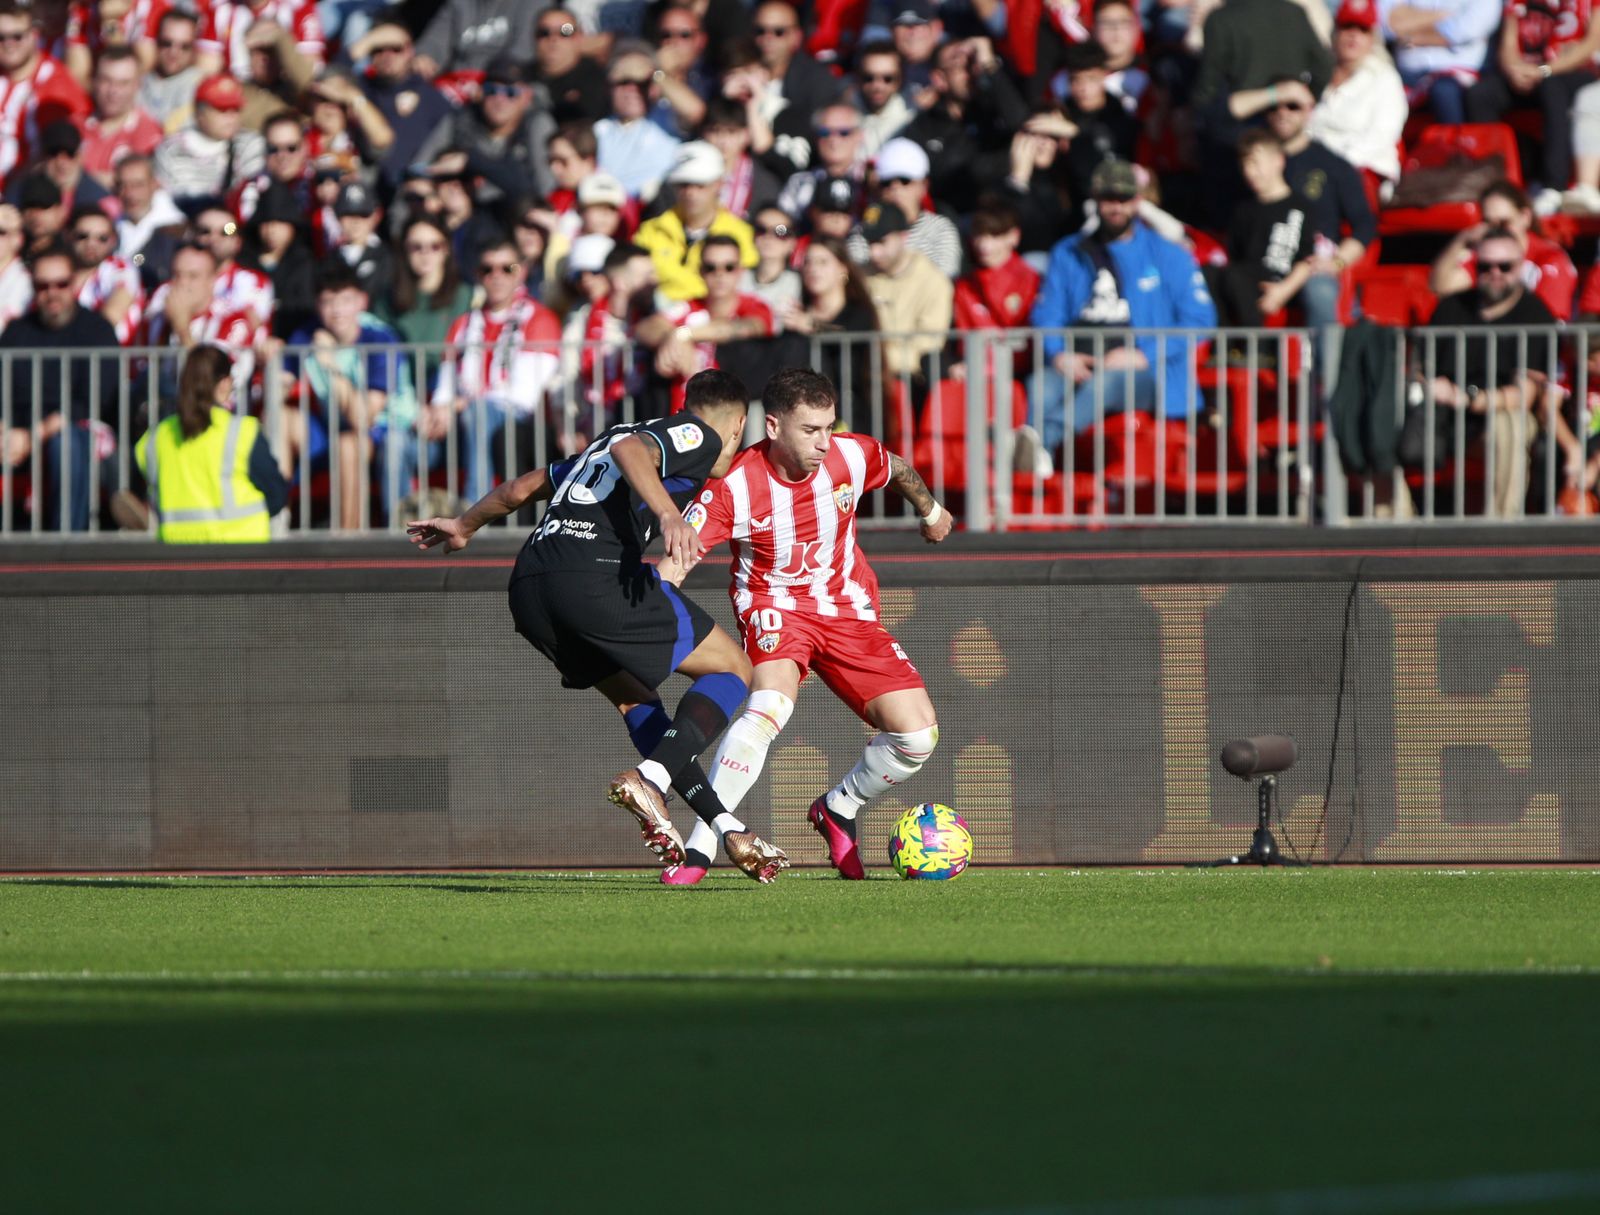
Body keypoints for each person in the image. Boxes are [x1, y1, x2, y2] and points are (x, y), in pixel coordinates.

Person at [406, 368, 791, 883]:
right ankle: (650, 779)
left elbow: (523, 487)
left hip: (531, 589)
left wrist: (463, 525)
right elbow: (634, 450)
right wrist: (669, 515)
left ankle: (726, 826)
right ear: (739, 424)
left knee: (638, 702)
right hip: (593, 579)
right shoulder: (698, 434)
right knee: (733, 669)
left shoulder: (600, 445)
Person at [656, 365, 953, 884]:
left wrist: (931, 512)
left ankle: (839, 807)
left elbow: (896, 467)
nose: (823, 442)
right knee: (770, 706)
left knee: (918, 735)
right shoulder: (733, 486)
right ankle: (704, 844)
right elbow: (675, 563)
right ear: (773, 427)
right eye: (810, 430)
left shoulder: (850, 455)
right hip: (773, 604)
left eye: (829, 427)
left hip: (846, 607)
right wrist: (648, 606)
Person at [1022, 158, 1217, 469]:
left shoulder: (1168, 253)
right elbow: (1048, 314)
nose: (1116, 206)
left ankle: (1039, 445)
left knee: (1108, 382)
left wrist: (1142, 355)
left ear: (1137, 201)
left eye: (1124, 198)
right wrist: (1059, 354)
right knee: (1041, 385)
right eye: (1108, 198)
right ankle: (1036, 468)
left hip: (1149, 372)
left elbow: (1200, 320)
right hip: (1079, 360)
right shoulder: (1068, 252)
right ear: (1095, 200)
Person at [1405, 226, 1557, 516]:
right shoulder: (1451, 307)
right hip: (1441, 416)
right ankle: (1394, 524)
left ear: (1520, 267)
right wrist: (1426, 385)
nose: (1495, 273)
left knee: (1511, 424)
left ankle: (1501, 527)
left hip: (1491, 417)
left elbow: (1524, 395)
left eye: (1504, 266)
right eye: (1485, 266)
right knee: (1383, 415)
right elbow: (1420, 367)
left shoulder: (1536, 314)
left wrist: (1468, 398)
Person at [429, 239, 562, 504]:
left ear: (522, 272)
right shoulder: (463, 324)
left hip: (516, 421)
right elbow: (444, 389)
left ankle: (473, 512)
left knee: (479, 413)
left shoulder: (540, 319)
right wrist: (436, 411)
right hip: (461, 420)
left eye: (507, 268)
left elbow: (523, 396)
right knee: (399, 440)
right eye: (487, 269)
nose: (496, 276)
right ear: (478, 275)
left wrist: (461, 404)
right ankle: (400, 520)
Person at [288, 264, 416, 529]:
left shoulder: (380, 338)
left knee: (348, 442)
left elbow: (362, 418)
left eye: (345, 300)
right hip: (332, 426)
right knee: (280, 418)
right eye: (328, 301)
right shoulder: (307, 334)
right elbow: (278, 385)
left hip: (386, 428)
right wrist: (269, 355)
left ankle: (347, 538)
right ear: (317, 304)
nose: (336, 310)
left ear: (362, 302)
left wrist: (331, 365)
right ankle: (276, 520)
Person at [0, 247, 119, 531]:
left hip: (77, 431)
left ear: (74, 283)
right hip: (19, 433)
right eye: (43, 286)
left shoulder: (98, 330)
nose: (52, 293)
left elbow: (94, 401)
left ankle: (66, 542)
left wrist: (34, 434)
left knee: (65, 443)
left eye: (61, 284)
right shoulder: (16, 332)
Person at [132, 343, 288, 542]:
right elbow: (276, 494)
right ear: (224, 384)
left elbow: (143, 487)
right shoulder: (242, 432)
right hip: (241, 548)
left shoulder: (157, 437)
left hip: (178, 549)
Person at [1464, 0, 1600, 211]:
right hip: (1527, 72)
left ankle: (1554, 187)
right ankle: (1497, 182)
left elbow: (1592, 43)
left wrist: (1544, 70)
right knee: (1480, 95)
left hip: (1572, 72)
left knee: (1552, 87)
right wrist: (1514, 70)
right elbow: (1508, 45)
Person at [646, 232, 774, 411]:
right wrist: (669, 337)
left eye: (729, 267)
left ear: (740, 271)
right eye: (710, 267)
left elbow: (747, 327)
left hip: (732, 418)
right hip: (684, 415)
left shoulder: (755, 306)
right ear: (700, 271)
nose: (720, 274)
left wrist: (683, 334)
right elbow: (645, 328)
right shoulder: (688, 307)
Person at [1209, 129, 1316, 328]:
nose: (1249, 172)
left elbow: (1307, 260)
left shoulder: (1300, 208)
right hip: (1243, 281)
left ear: (1278, 161)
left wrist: (1283, 291)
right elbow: (1234, 255)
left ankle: (1257, 343)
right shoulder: (1242, 209)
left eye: (1255, 163)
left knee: (1235, 277)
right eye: (1244, 165)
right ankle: (1225, 342)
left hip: (1280, 282)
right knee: (1211, 274)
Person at [1429, 179, 1577, 321]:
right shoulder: (1486, 258)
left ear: (1525, 217)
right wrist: (1462, 240)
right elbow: (1442, 289)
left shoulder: (1549, 257)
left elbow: (1546, 321)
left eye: (1504, 223)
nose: (1497, 230)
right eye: (1488, 223)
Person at [633, 140, 757, 301]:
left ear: (719, 184)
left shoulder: (742, 234)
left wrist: (669, 285)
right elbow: (635, 283)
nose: (690, 193)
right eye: (683, 185)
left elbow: (740, 290)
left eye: (700, 185)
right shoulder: (650, 231)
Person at [1307, 0, 1407, 194]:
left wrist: (1333, 164)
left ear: (1372, 39)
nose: (1354, 35)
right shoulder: (1317, 74)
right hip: (1313, 166)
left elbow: (1381, 136)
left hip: (1361, 169)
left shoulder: (1385, 79)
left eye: (1362, 30)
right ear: (1335, 32)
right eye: (1347, 27)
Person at [863, 201, 954, 398]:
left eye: (881, 242)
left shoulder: (933, 281)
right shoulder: (861, 276)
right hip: (868, 380)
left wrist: (875, 358)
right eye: (869, 243)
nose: (874, 252)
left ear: (903, 236)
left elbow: (928, 346)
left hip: (914, 385)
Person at [350, 17, 451, 193]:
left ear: (410, 50)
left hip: (414, 194)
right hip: (366, 191)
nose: (387, 56)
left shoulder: (430, 95)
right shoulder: (359, 87)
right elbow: (326, 81)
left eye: (396, 49)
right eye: (378, 49)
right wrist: (367, 41)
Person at [377, 215, 473, 399]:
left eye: (435, 246)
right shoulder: (388, 299)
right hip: (402, 394)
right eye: (416, 247)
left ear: (446, 249)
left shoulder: (466, 295)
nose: (425, 254)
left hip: (450, 393)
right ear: (404, 250)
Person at [0, 0, 91, 186]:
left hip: (26, 192)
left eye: (17, 36)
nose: (8, 44)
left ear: (34, 34)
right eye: (1, 37)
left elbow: (61, 158)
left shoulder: (55, 86)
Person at [152, 72, 264, 208]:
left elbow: (252, 197)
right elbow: (162, 201)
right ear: (199, 113)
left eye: (236, 109)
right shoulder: (170, 149)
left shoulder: (250, 144)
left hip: (229, 220)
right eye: (222, 109)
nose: (231, 116)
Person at [1380, 0, 1501, 126]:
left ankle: (1456, 138)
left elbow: (1465, 29)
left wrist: (1409, 32)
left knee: (1444, 92)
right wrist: (1440, 16)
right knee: (1381, 87)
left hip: (1461, 77)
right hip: (1405, 74)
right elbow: (1384, 23)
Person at [594, 45, 681, 200]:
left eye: (642, 83)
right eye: (624, 82)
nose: (632, 89)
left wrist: (656, 74)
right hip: (609, 206)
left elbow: (698, 113)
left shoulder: (669, 118)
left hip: (660, 205)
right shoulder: (599, 130)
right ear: (609, 87)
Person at [79, 45, 164, 188]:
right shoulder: (75, 125)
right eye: (106, 80)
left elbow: (138, 187)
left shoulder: (149, 134)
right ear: (94, 81)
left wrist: (78, 178)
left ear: (137, 85)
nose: (113, 91)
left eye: (123, 83)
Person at [68, 203, 144, 344]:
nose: (91, 244)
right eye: (83, 236)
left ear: (113, 241)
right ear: (68, 236)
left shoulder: (120, 268)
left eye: (102, 238)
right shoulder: (59, 271)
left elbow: (112, 315)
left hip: (113, 354)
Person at [113, 152, 185, 289]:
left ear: (154, 184)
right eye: (122, 185)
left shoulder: (176, 231)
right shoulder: (110, 226)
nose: (129, 194)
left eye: (138, 185)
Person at [139, 7, 201, 134]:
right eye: (167, 43)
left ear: (194, 49)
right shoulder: (137, 82)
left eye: (184, 46)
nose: (174, 53)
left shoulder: (200, 88)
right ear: (156, 42)